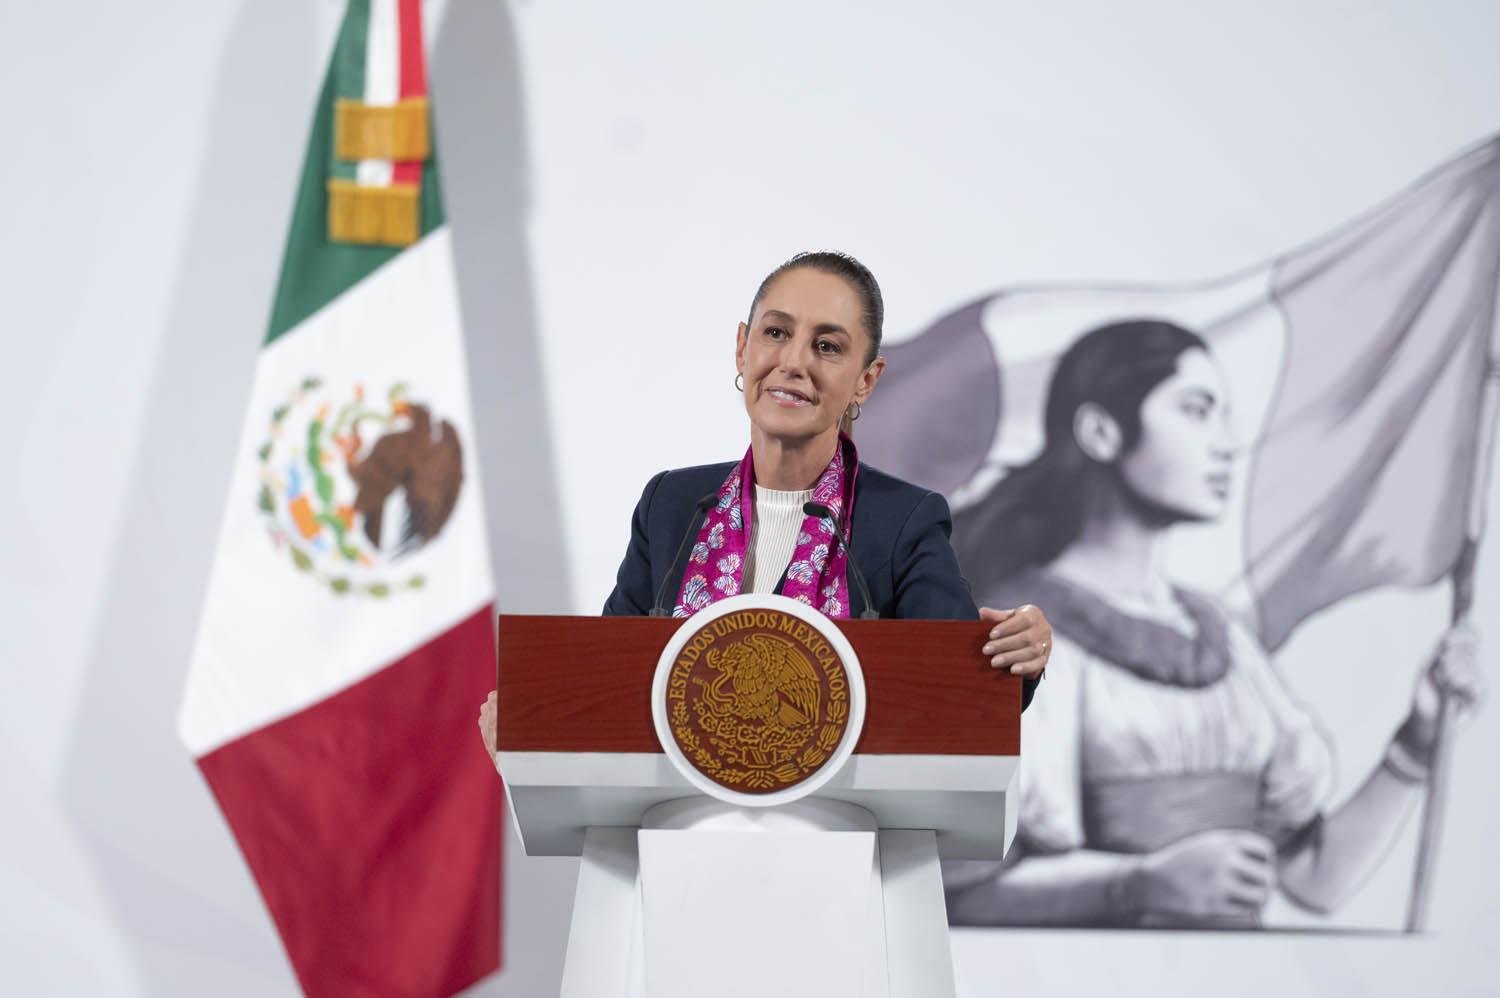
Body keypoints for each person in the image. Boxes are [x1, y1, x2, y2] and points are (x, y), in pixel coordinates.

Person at [941, 319, 1485, 928]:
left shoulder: (1220, 637)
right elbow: (961, 891)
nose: (1226, 444)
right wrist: (1139, 884)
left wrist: (1417, 740)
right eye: (1196, 411)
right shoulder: (1014, 635)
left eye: (1224, 416)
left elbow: (1315, 880)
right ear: (1100, 432)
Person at [479, 251, 1051, 752]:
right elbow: (609, 684)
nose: (794, 362)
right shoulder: (671, 504)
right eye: (776, 333)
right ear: (741, 347)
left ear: (866, 380)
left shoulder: (902, 519)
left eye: (827, 346)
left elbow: (957, 695)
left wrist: (1020, 653)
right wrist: (531, 726)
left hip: (840, 834)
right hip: (679, 831)